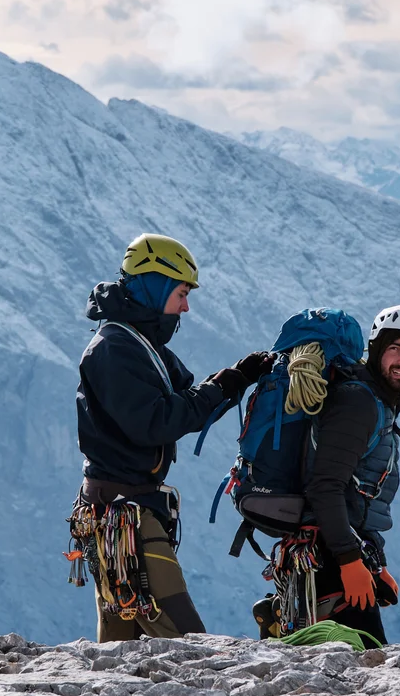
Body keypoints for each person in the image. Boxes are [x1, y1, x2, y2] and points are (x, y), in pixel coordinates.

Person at [73, 234, 273, 640]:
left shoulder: (140, 343)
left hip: (120, 511)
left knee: (123, 645)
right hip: (126, 515)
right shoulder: (114, 348)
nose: (185, 306)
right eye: (181, 293)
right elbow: (160, 421)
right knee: (187, 644)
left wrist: (235, 377)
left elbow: (184, 396)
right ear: (155, 285)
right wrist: (229, 382)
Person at [299, 304, 400, 644]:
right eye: (395, 349)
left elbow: (358, 493)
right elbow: (326, 486)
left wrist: (374, 562)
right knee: (367, 665)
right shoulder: (358, 402)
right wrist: (348, 561)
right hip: (329, 558)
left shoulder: (376, 401)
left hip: (340, 551)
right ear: (375, 351)